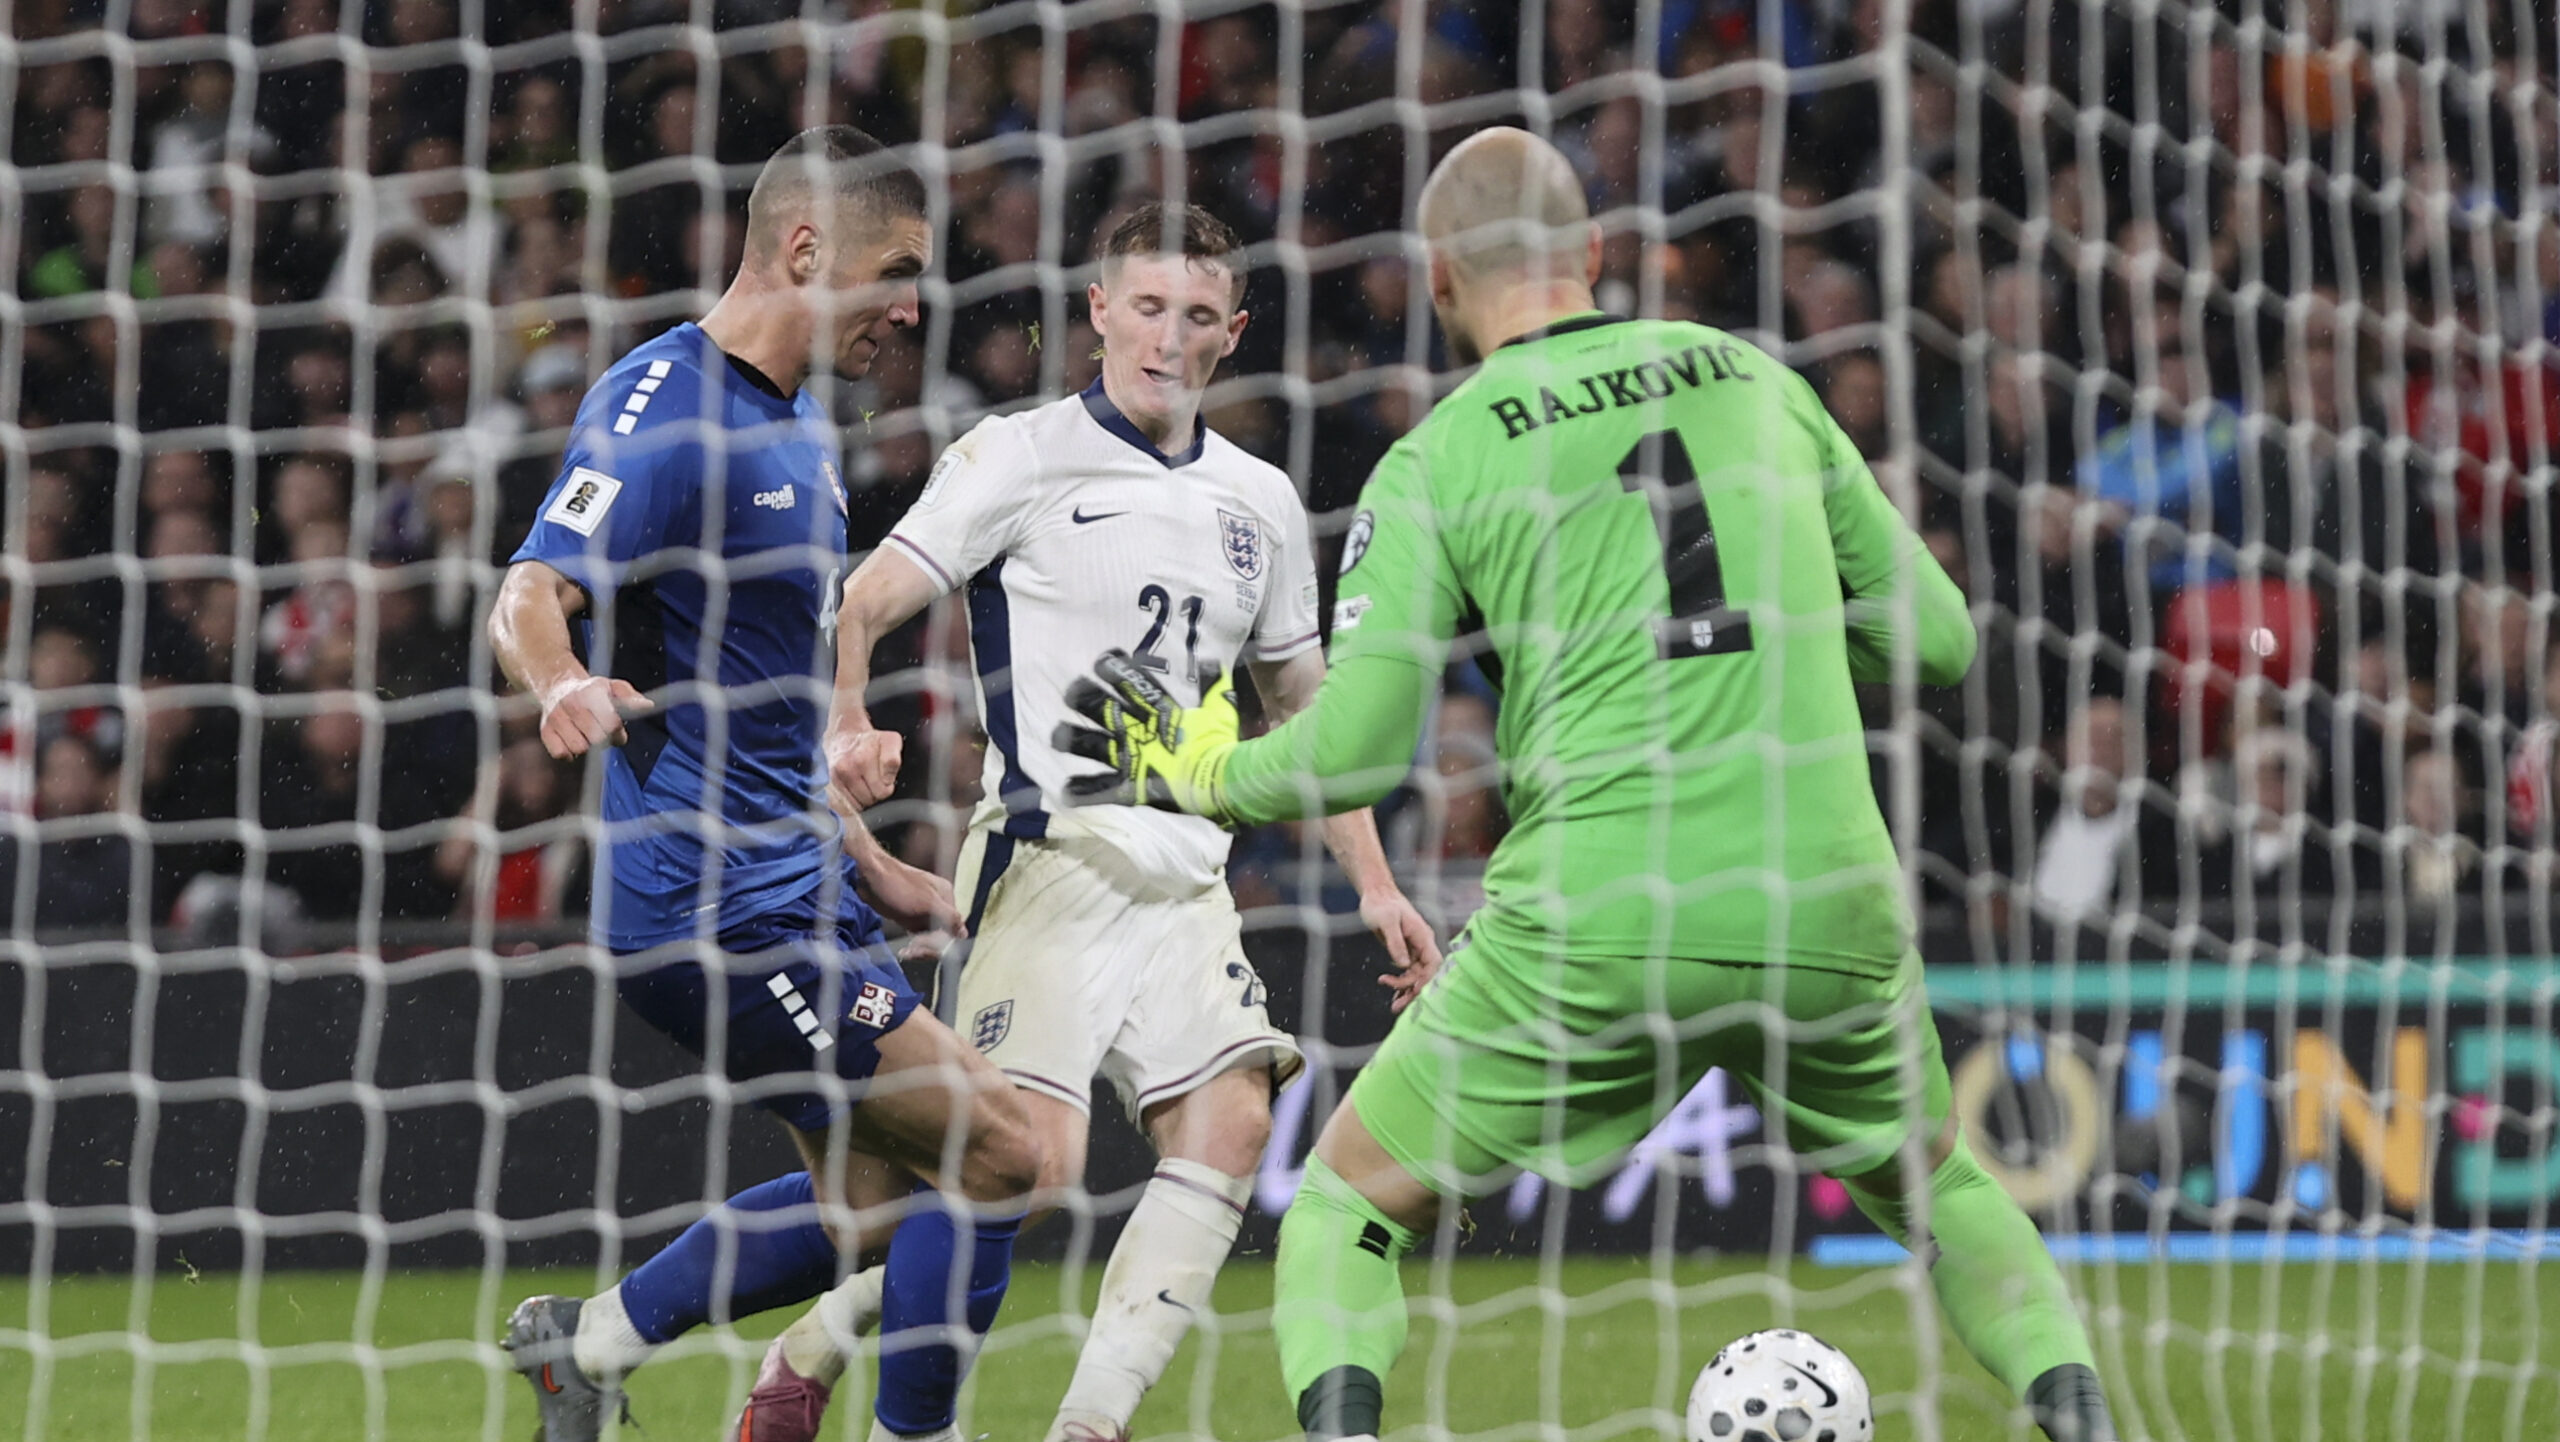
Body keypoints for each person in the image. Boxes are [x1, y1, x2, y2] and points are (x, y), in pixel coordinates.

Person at [1057, 129, 2121, 1442]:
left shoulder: (1440, 454)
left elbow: (1354, 753)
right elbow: (1940, 641)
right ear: (1600, 256)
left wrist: (1192, 762)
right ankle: (2082, 1417)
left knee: (1343, 1205)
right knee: (1943, 1184)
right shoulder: (1753, 378)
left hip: (1602, 914)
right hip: (1824, 898)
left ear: (1439, 278)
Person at [738, 202, 1443, 1442]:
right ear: (1099, 313)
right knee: (1019, 1168)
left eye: (1197, 315)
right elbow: (861, 601)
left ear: (1235, 332)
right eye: (1147, 308)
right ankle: (801, 1338)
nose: (1168, 339)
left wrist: (1374, 883)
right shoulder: (1020, 453)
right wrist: (847, 717)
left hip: (1186, 872)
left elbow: (1302, 706)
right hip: (1045, 856)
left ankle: (1089, 1424)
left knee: (1232, 1113)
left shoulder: (1263, 501)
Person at [485, 126, 1042, 1442]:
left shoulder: (797, 426)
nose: (914, 306)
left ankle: (591, 1343)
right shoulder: (662, 406)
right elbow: (530, 589)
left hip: (802, 888)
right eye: (895, 271)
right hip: (715, 916)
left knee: (880, 1212)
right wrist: (562, 680)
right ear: (805, 248)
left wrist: (877, 860)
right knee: (1004, 1150)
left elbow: (767, 719)